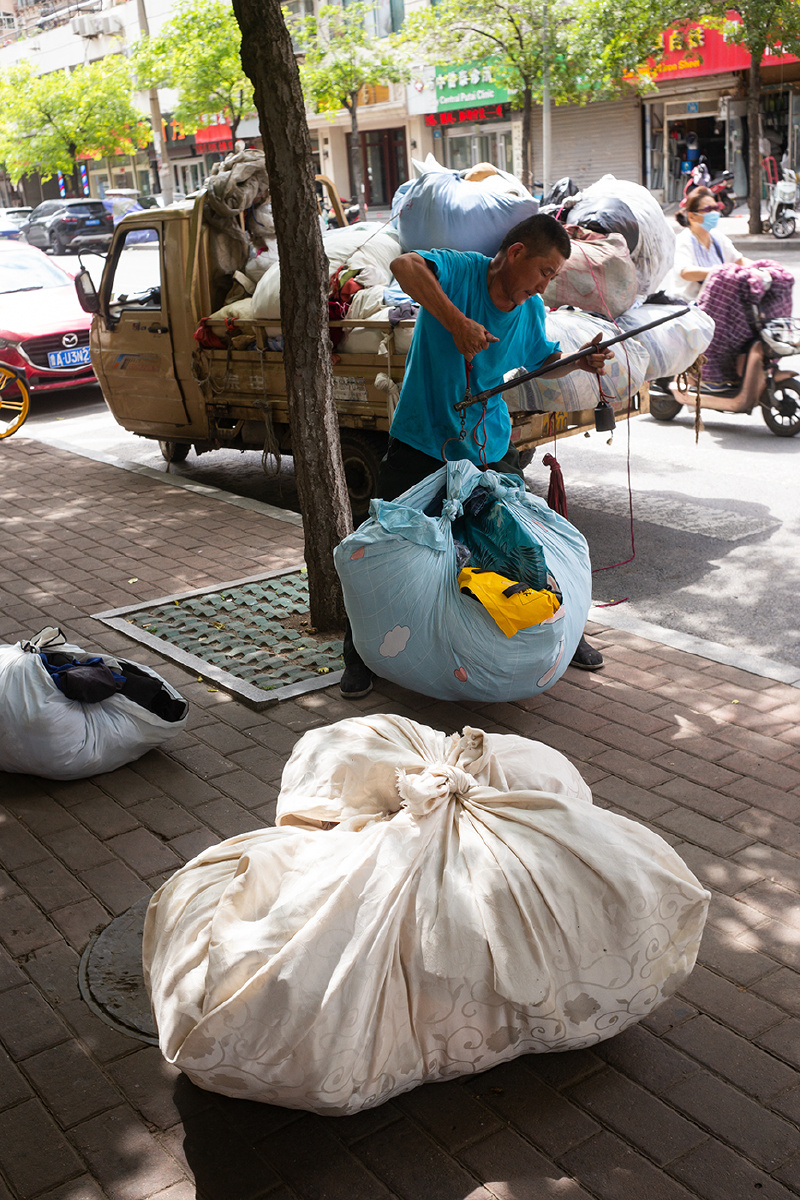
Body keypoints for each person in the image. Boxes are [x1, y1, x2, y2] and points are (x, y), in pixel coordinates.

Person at [340, 212, 612, 699]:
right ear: (516, 253)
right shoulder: (461, 271)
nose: (544, 284)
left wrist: (576, 362)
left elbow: (541, 361)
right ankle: (359, 654)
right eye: (544, 271)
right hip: (422, 439)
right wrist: (457, 322)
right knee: (382, 543)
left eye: (553, 277)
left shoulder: (529, 310)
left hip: (488, 445)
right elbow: (404, 265)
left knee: (523, 545)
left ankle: (565, 638)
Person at [669, 186, 750, 303]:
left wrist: (761, 268)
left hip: (716, 302)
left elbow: (738, 260)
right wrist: (719, 272)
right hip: (689, 306)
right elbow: (686, 272)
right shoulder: (683, 240)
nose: (714, 213)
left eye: (716, 208)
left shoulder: (717, 237)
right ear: (692, 216)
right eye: (708, 210)